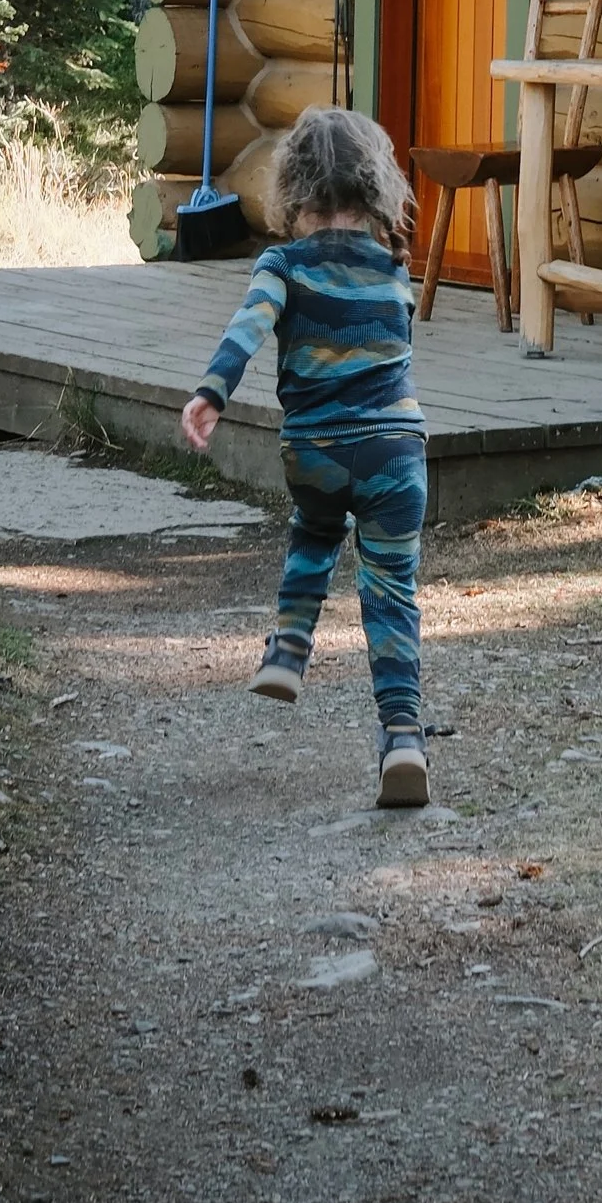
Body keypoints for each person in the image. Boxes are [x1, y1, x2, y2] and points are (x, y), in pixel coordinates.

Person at [179, 108, 431, 809]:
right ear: (376, 187)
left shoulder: (281, 264)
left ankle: (289, 648)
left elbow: (249, 325)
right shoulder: (394, 268)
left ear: (291, 188)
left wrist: (212, 392)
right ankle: (404, 737)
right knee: (391, 595)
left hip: (316, 446)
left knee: (316, 528)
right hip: (396, 449)